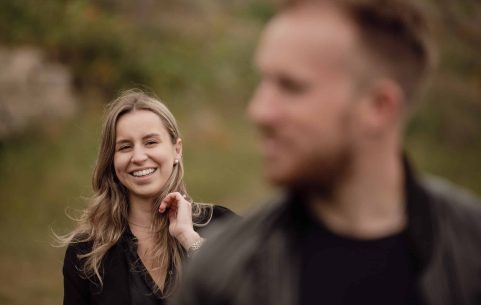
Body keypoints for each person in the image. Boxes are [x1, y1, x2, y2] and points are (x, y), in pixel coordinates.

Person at [170, 1, 481, 305]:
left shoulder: (471, 251)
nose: (259, 111)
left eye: (291, 87)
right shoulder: (220, 276)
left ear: (378, 107)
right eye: (263, 82)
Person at [58, 89, 237, 305]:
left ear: (176, 150)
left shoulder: (222, 225)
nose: (139, 157)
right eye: (125, 147)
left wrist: (191, 240)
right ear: (112, 161)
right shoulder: (86, 252)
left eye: (151, 142)